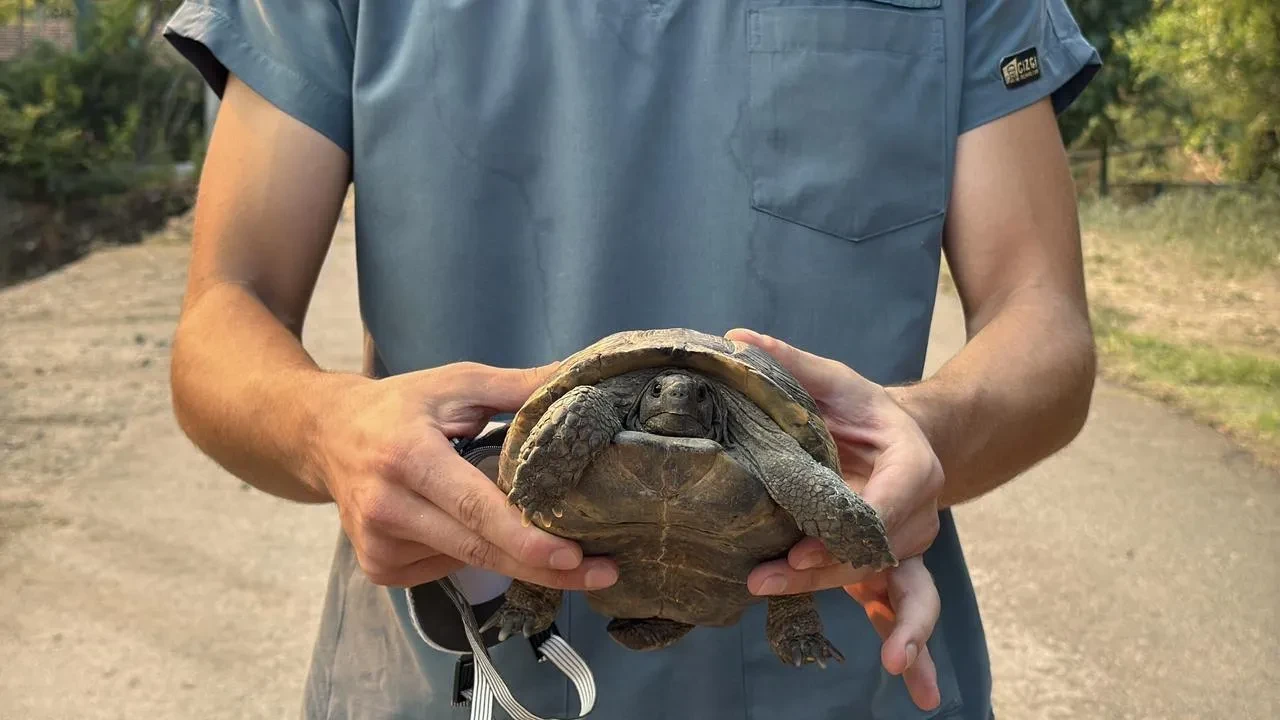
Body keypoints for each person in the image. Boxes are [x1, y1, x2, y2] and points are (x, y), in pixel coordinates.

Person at [161, 1, 1100, 718]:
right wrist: (328, 430)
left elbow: (1044, 318)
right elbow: (222, 314)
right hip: (456, 671)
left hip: (845, 681)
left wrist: (919, 435)